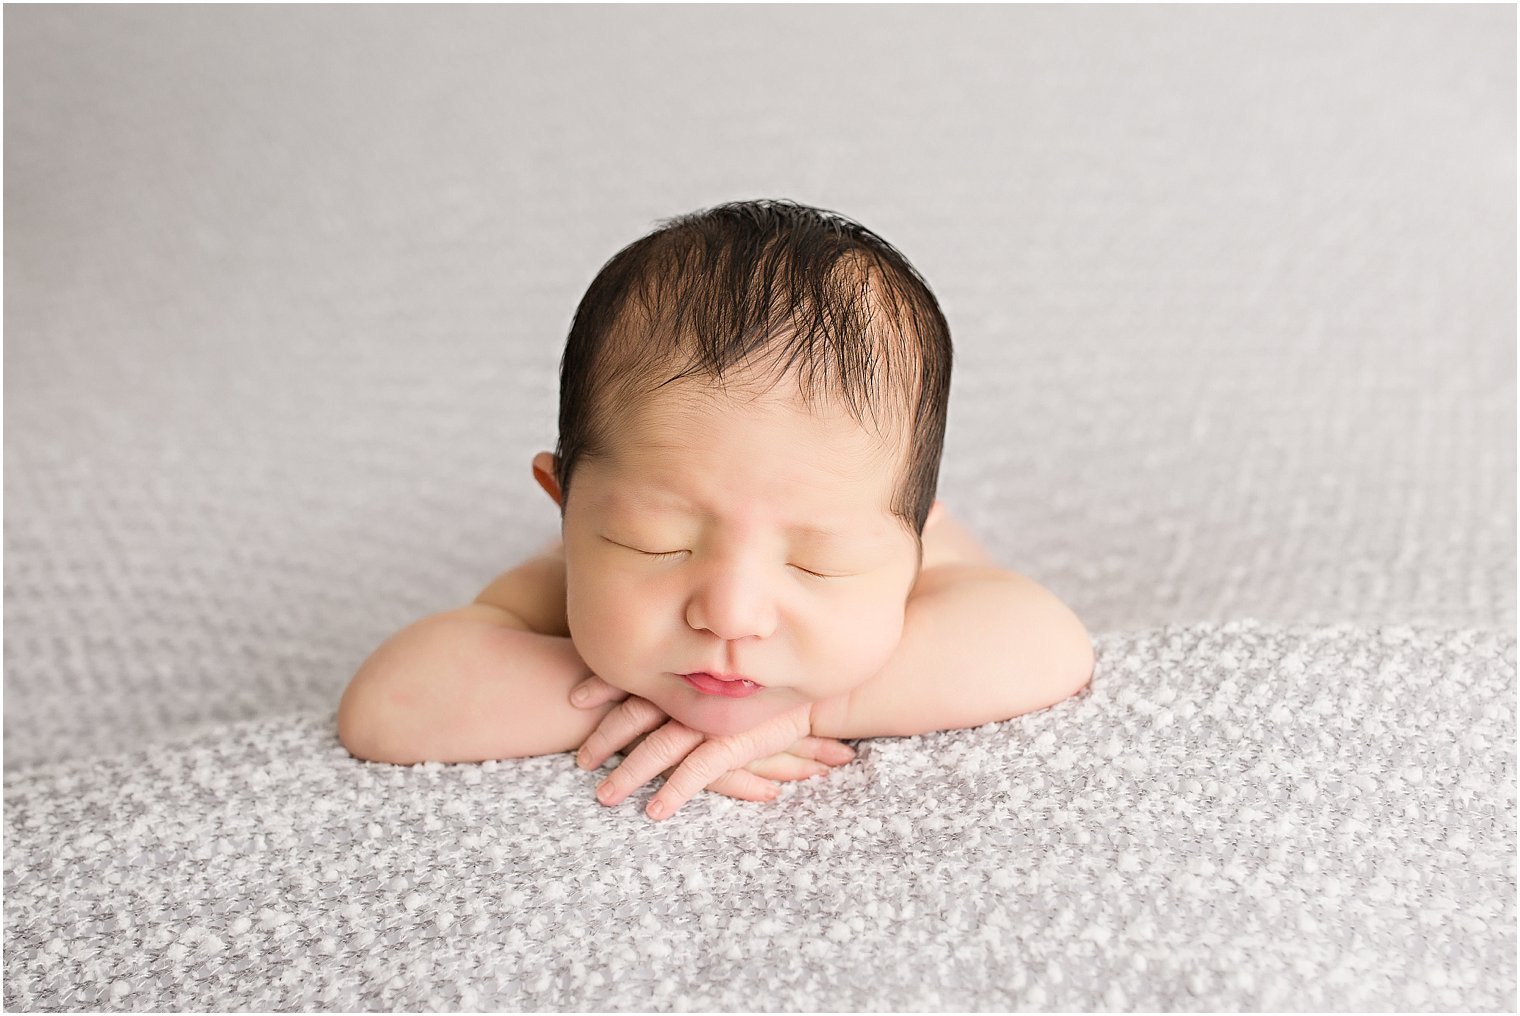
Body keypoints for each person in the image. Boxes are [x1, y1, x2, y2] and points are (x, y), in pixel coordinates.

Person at [337, 198, 1094, 820]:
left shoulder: (912, 558)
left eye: (814, 561)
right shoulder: (560, 582)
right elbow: (390, 704)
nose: (731, 616)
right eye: (657, 543)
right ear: (565, 509)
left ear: (915, 537)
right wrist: (619, 706)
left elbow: (1047, 642)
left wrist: (806, 713)